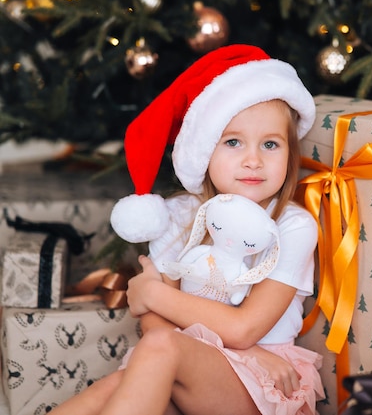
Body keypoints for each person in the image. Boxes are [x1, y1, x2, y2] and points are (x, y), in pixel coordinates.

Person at [49, 44, 323, 415]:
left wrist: (154, 294)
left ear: (290, 153)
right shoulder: (178, 216)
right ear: (204, 150)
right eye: (233, 142)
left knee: (160, 352)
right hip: (186, 364)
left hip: (264, 379)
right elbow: (154, 326)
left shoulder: (292, 225)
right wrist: (154, 305)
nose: (254, 160)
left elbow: (244, 330)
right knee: (117, 384)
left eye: (271, 144)